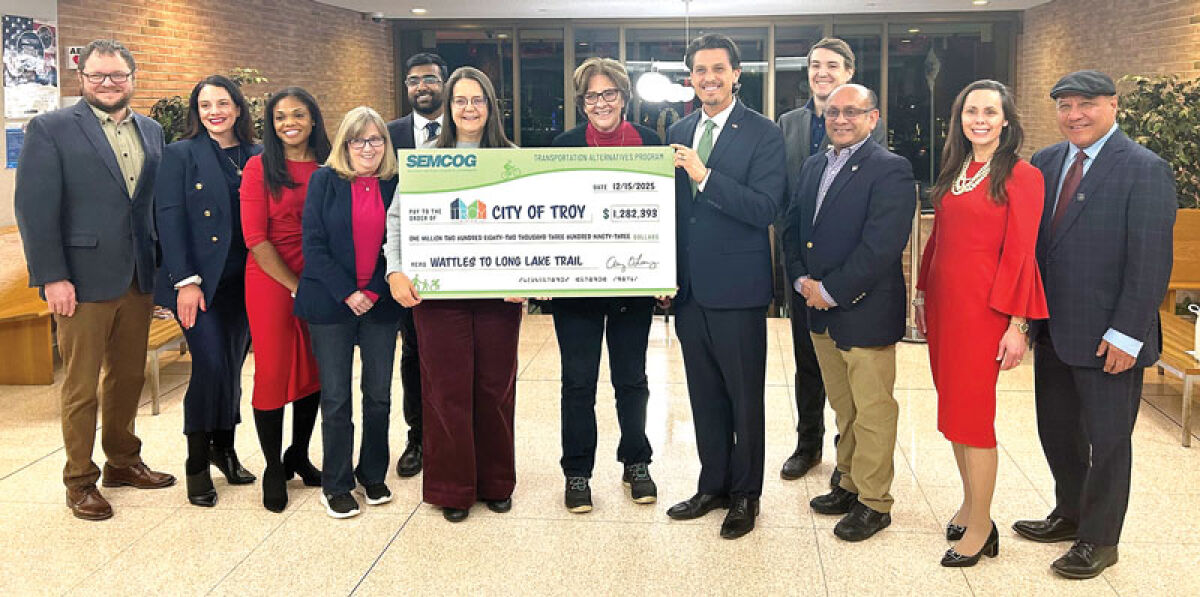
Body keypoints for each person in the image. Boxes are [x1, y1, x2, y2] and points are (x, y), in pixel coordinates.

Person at [1013, 70, 1176, 579]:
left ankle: (1101, 540)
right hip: (1054, 329)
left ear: (1113, 106)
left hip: (1111, 337)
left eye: (1086, 104)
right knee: (1057, 431)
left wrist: (1128, 334)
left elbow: (1150, 261)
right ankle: (1070, 513)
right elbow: (1037, 248)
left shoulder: (1145, 168)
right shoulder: (1045, 161)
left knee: (1107, 441)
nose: (1074, 115)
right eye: (1064, 105)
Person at [14, 39, 174, 520]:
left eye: (118, 76)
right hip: (80, 282)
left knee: (127, 377)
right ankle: (79, 481)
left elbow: (149, 206)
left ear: (133, 77)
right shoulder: (51, 128)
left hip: (138, 277)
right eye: (98, 76)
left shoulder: (151, 129)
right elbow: (35, 210)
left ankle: (123, 461)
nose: (108, 84)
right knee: (81, 386)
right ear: (80, 78)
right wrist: (52, 277)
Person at [914, 80, 1049, 566]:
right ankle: (971, 507)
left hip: (984, 313)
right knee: (954, 415)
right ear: (961, 118)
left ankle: (983, 527)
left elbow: (1021, 253)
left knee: (974, 420)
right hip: (946, 307)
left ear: (1006, 120)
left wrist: (1018, 323)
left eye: (990, 112)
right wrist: (923, 292)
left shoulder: (1021, 175)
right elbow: (939, 237)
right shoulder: (958, 168)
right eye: (971, 111)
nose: (980, 119)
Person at [385, 66, 523, 523]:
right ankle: (452, 486)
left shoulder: (512, 157)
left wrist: (531, 277)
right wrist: (396, 270)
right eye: (460, 100)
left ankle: (495, 482)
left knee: (494, 386)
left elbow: (531, 228)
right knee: (445, 389)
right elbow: (399, 219)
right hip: (437, 294)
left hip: (498, 293)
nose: (469, 109)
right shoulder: (426, 158)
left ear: (490, 106)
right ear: (449, 107)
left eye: (478, 100)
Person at [663, 34, 786, 540]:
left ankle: (745, 494)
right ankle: (711, 484)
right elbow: (673, 213)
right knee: (704, 395)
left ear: (737, 74)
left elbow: (766, 209)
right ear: (689, 77)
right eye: (699, 70)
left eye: (718, 69)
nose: (708, 78)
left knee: (743, 397)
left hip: (738, 289)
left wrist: (704, 174)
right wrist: (663, 275)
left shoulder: (764, 133)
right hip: (690, 291)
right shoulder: (678, 127)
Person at [784, 83, 915, 543]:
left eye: (852, 112)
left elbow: (881, 246)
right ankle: (848, 480)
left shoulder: (891, 169)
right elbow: (794, 227)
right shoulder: (813, 165)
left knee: (874, 410)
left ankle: (874, 502)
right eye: (833, 111)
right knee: (845, 408)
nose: (840, 119)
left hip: (864, 311)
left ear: (873, 118)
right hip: (818, 310)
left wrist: (832, 290)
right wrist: (802, 283)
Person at [549, 57, 661, 514]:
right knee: (578, 382)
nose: (601, 103)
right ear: (582, 102)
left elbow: (663, 214)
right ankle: (577, 472)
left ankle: (636, 461)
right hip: (576, 289)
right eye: (592, 96)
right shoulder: (563, 146)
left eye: (609, 93)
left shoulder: (651, 144)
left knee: (631, 380)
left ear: (624, 97)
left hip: (631, 284)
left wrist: (664, 274)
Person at [776, 37, 885, 485]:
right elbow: (786, 200)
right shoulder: (788, 123)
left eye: (832, 66)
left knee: (850, 369)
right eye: (815, 65)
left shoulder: (864, 123)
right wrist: (795, 271)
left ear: (849, 72)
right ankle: (808, 444)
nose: (822, 72)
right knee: (807, 362)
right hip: (802, 270)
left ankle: (849, 451)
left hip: (850, 274)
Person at [154, 75, 261, 506]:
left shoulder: (258, 152)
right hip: (201, 285)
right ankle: (197, 461)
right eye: (204, 106)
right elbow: (169, 218)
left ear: (238, 108)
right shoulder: (181, 154)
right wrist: (184, 281)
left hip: (248, 282)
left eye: (222, 103)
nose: (214, 112)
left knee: (232, 367)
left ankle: (226, 449)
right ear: (196, 113)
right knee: (210, 364)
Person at [296, 106, 401, 519]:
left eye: (376, 139)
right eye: (358, 139)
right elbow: (313, 245)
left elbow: (402, 241)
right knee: (336, 399)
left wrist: (373, 290)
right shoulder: (324, 181)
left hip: (380, 305)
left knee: (378, 396)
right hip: (331, 306)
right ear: (345, 144)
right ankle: (336, 484)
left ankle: (372, 474)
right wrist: (348, 293)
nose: (368, 147)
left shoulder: (396, 183)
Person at [241, 87, 331, 512]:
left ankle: (299, 452)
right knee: (274, 372)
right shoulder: (260, 167)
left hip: (321, 277)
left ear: (313, 119)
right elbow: (256, 239)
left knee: (315, 369)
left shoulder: (331, 166)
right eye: (279, 117)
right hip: (272, 279)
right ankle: (274, 465)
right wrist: (296, 285)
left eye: (297, 114)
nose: (288, 123)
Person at [384, 51, 448, 478]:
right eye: (413, 81)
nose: (421, 87)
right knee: (414, 353)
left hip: (457, 263)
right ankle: (418, 438)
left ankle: (453, 436)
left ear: (443, 82)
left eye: (428, 79)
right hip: (408, 266)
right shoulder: (388, 135)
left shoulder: (466, 128)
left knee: (452, 354)